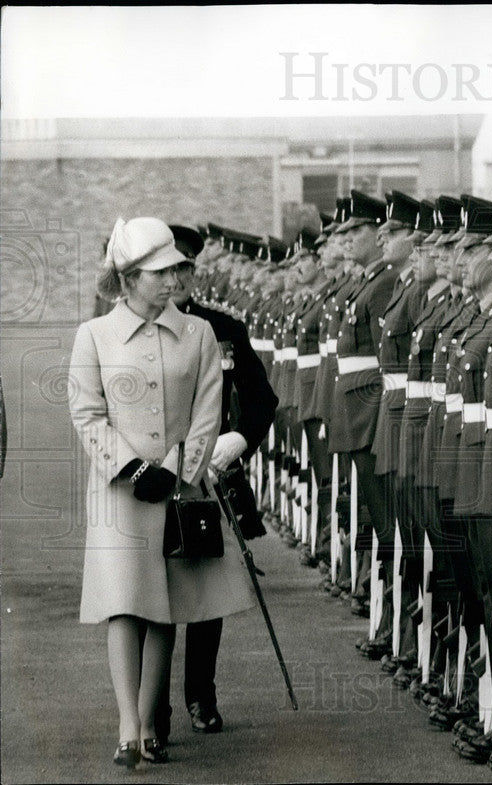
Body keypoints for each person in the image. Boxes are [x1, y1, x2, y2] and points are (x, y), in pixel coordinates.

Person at [68, 217, 255, 768]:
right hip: (118, 494)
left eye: (175, 268)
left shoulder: (198, 334)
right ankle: (129, 727)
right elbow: (87, 412)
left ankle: (152, 724)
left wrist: (178, 469)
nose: (172, 278)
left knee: (163, 609)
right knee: (123, 605)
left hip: (179, 491)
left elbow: (208, 411)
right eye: (159, 271)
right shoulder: (94, 335)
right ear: (127, 277)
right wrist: (128, 466)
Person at [151, 224, 278, 741]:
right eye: (168, 268)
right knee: (154, 597)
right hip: (154, 479)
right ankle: (152, 711)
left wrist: (239, 440)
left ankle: (201, 695)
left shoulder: (222, 328)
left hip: (211, 478)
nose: (178, 278)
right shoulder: (138, 330)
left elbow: (262, 400)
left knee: (205, 596)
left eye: (186, 268)